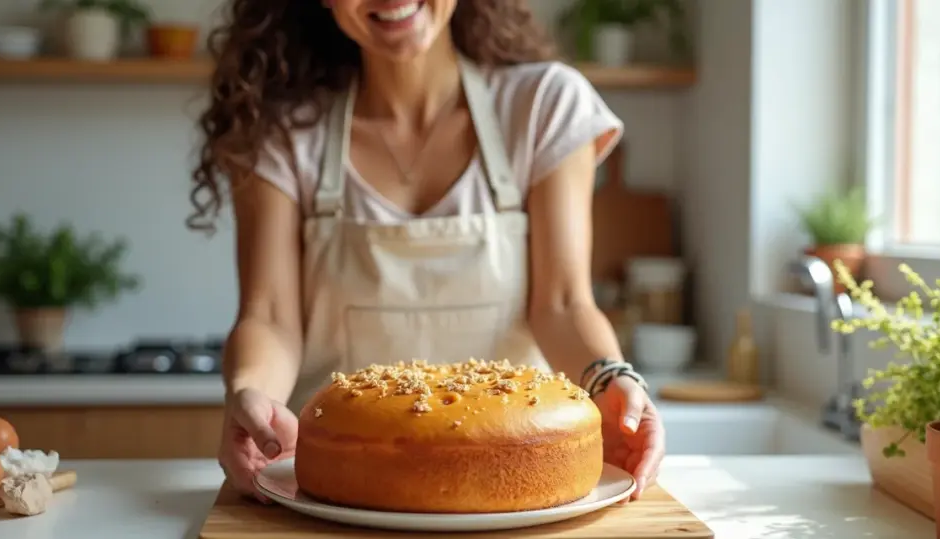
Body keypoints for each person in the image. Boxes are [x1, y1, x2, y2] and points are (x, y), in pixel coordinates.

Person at [188, 0, 665, 505]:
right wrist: (251, 393)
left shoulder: (544, 106)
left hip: (514, 482)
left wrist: (612, 377)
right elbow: (270, 316)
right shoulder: (279, 131)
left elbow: (564, 304)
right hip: (337, 499)